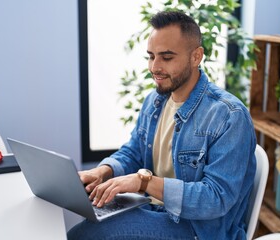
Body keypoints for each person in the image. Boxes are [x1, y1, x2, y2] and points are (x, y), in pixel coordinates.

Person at [68, 10, 256, 240]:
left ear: (196, 57)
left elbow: (215, 198)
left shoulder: (229, 115)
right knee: (92, 216)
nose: (155, 67)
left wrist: (143, 182)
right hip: (154, 209)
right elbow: (134, 151)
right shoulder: (155, 101)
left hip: (198, 229)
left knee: (88, 234)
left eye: (166, 58)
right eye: (151, 56)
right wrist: (102, 172)